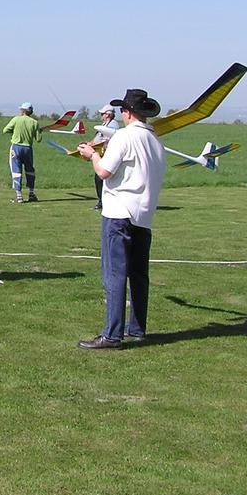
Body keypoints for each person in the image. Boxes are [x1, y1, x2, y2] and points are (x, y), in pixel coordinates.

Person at [76, 89, 167, 350]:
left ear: (127, 113)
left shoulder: (123, 137)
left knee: (114, 274)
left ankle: (112, 335)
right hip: (144, 216)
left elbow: (104, 172)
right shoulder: (156, 141)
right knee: (138, 275)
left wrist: (93, 155)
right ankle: (136, 328)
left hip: (119, 214)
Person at [2, 102, 43, 203]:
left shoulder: (16, 119)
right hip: (28, 149)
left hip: (16, 148)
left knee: (16, 170)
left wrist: (15, 131)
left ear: (23, 111)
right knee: (30, 170)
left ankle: (19, 195)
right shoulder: (34, 122)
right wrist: (38, 131)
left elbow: (5, 130)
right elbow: (38, 139)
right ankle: (31, 193)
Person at [90, 104, 119, 209]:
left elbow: (109, 139)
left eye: (103, 114)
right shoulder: (104, 125)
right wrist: (89, 144)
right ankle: (101, 201)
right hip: (101, 156)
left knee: (101, 178)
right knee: (98, 178)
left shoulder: (113, 125)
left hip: (107, 156)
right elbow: (97, 138)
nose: (101, 115)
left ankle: (103, 202)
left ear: (108, 115)